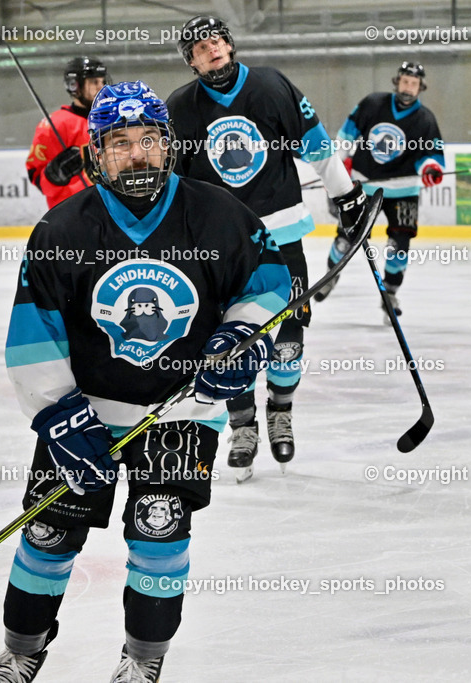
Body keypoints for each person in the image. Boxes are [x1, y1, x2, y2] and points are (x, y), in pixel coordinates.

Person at [0, 80, 290, 683]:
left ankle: (142, 662)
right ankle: (21, 650)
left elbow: (270, 286)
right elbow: (33, 332)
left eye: (149, 139)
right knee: (47, 533)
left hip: (179, 415)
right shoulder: (63, 229)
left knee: (159, 537)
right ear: (96, 153)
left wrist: (239, 340)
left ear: (168, 145)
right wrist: (59, 414)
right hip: (80, 416)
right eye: (120, 143)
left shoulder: (219, 213)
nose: (137, 153)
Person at [165, 15, 366, 478]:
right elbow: (173, 183)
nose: (211, 48)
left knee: (289, 335)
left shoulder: (273, 86)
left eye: (216, 40)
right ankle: (242, 422)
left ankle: (280, 410)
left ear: (229, 45)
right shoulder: (180, 108)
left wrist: (346, 194)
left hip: (282, 236)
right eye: (199, 47)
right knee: (231, 338)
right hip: (222, 248)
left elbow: (315, 146)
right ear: (191, 62)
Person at [316, 61, 445, 322]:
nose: (409, 88)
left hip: (403, 189)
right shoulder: (372, 104)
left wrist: (431, 168)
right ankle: (330, 276)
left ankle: (391, 293)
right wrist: (340, 168)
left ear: (421, 87)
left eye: (414, 84)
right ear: (397, 81)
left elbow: (432, 156)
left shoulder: (425, 119)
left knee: (400, 245)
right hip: (365, 184)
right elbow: (345, 135)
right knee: (346, 238)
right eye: (405, 82)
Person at [25, 56, 109, 208]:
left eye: (102, 82)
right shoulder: (55, 125)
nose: (101, 87)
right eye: (94, 82)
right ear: (74, 86)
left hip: (109, 212)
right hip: (70, 213)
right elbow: (36, 176)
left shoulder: (112, 119)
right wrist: (54, 176)